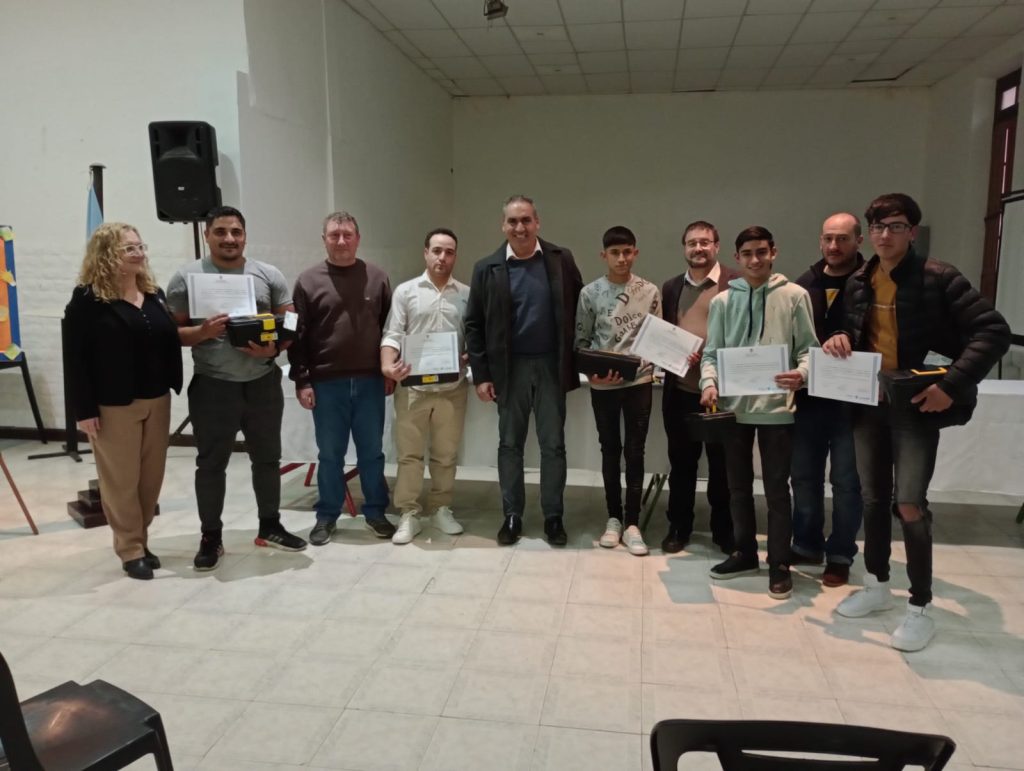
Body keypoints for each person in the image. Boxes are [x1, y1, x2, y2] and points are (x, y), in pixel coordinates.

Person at [824, 193, 1010, 651]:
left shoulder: (939, 277)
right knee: (872, 499)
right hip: (869, 403)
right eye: (878, 227)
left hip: (916, 405)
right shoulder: (860, 279)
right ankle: (877, 584)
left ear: (911, 231)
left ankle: (920, 606)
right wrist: (839, 337)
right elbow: (849, 326)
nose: (885, 235)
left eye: (896, 226)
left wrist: (952, 384)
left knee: (909, 505)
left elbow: (993, 331)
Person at [166, 206, 307, 571]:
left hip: (262, 383)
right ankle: (211, 536)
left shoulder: (267, 274)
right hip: (213, 387)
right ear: (207, 235)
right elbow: (171, 334)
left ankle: (270, 525)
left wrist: (274, 349)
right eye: (221, 231)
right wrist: (202, 332)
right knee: (211, 464)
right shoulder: (186, 277)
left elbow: (292, 321)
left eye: (236, 232)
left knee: (268, 459)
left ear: (245, 236)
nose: (229, 238)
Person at [700, 226, 818, 600]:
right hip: (733, 409)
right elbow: (711, 353)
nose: (755, 260)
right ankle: (745, 553)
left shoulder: (795, 296)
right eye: (747, 253)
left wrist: (801, 374)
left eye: (761, 252)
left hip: (777, 409)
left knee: (777, 490)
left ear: (773, 253)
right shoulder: (722, 302)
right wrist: (708, 382)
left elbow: (808, 350)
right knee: (737, 487)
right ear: (737, 257)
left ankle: (779, 563)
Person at [66, 223, 182, 580]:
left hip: (157, 399)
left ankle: (141, 540)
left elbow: (168, 338)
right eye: (128, 248)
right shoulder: (87, 300)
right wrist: (84, 410)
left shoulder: (153, 293)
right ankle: (130, 549)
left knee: (150, 479)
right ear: (106, 254)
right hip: (114, 404)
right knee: (121, 481)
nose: (138, 253)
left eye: (140, 246)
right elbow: (75, 358)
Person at [465, 195, 583, 546]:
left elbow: (580, 310)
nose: (520, 227)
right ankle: (512, 515)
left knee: (553, 446)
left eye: (526, 220)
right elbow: (473, 324)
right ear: (503, 225)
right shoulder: (486, 268)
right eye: (513, 221)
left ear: (537, 222)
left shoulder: (561, 260)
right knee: (509, 445)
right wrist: (482, 374)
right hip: (509, 370)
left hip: (550, 366)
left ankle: (553, 517)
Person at [289, 211, 396, 545]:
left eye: (347, 235)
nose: (341, 241)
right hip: (326, 384)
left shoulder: (377, 277)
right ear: (324, 240)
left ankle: (376, 512)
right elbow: (297, 336)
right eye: (334, 235)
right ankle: (327, 516)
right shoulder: (307, 281)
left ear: (358, 239)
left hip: (370, 382)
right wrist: (302, 380)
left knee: (372, 453)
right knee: (330, 455)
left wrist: (389, 370)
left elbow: (391, 330)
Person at [789, 213, 865, 587]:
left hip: (854, 403)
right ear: (820, 241)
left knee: (847, 482)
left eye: (842, 239)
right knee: (803, 477)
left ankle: (840, 554)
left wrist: (850, 337)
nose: (834, 246)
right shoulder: (804, 284)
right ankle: (806, 544)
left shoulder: (874, 282)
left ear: (858, 241)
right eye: (828, 238)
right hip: (809, 399)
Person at [575, 226, 661, 556]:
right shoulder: (590, 293)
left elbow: (657, 340)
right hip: (603, 386)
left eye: (627, 251)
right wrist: (595, 373)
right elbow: (581, 343)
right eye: (615, 253)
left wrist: (648, 365)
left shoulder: (649, 291)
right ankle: (613, 517)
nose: (621, 258)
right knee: (610, 449)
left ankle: (633, 522)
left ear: (635, 253)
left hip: (639, 383)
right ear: (604, 255)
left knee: (635, 451)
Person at [380, 228, 470, 544]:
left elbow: (473, 337)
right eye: (437, 250)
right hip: (412, 389)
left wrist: (470, 355)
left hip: (452, 389)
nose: (442, 257)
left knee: (446, 455)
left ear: (455, 256)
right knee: (410, 456)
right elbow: (393, 333)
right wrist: (387, 365)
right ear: (426, 253)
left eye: (449, 252)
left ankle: (441, 508)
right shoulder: (406, 291)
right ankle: (409, 513)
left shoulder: (466, 294)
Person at [660, 220, 738, 555]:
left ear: (716, 246)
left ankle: (724, 530)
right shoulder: (671, 287)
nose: (698, 248)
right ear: (685, 248)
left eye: (705, 242)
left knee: (723, 468)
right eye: (692, 243)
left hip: (723, 392)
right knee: (681, 464)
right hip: (680, 390)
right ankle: (679, 527)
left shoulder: (735, 283)